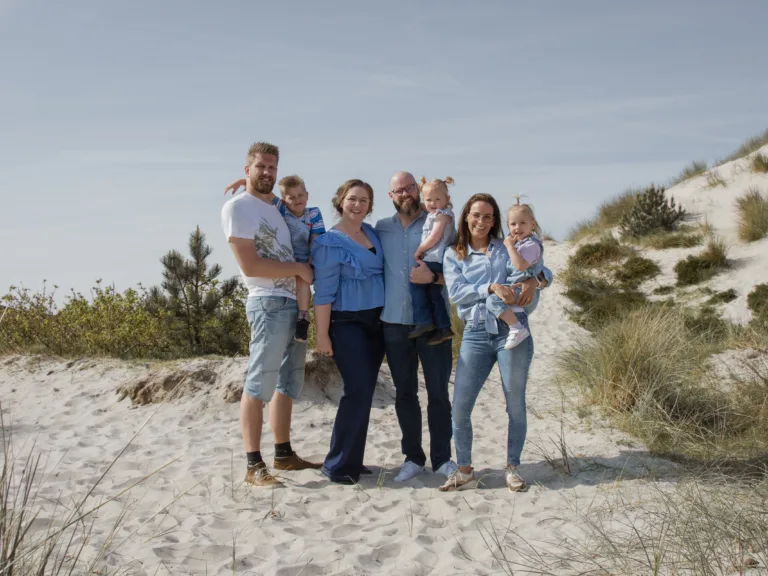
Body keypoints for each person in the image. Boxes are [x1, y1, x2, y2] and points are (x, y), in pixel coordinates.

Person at [220, 142, 322, 487]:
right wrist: (299, 269)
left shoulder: (275, 207)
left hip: (294, 303)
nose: (266, 172)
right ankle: (253, 465)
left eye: (272, 168)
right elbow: (249, 265)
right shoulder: (238, 207)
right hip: (268, 303)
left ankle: (283, 454)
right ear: (247, 168)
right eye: (260, 166)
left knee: (288, 383)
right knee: (259, 382)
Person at [440, 193, 552, 493]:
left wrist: (534, 281)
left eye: (488, 216)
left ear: (494, 221)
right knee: (460, 407)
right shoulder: (454, 253)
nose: (481, 221)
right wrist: (490, 287)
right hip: (476, 332)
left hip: (513, 332)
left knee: (515, 404)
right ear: (466, 217)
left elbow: (544, 271)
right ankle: (465, 471)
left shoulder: (508, 245)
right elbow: (457, 293)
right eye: (476, 215)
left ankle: (513, 468)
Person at [375, 171, 457, 482]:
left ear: (418, 190)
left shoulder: (440, 221)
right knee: (405, 394)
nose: (405, 193)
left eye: (410, 187)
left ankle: (442, 459)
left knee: (438, 394)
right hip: (394, 325)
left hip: (434, 324)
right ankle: (412, 458)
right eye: (399, 190)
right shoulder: (381, 228)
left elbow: (462, 269)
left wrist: (434, 277)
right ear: (391, 196)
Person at [311, 179, 386, 485]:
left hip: (377, 321)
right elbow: (323, 293)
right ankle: (338, 465)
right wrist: (322, 335)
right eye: (352, 198)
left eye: (364, 200)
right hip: (346, 321)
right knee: (356, 389)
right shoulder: (329, 242)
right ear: (340, 201)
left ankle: (352, 458)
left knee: (365, 390)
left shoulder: (373, 233)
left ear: (370, 206)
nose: (358, 205)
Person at [224, 175, 325, 343]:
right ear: (284, 200)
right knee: (296, 277)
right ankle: (300, 316)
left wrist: (311, 260)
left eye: (300, 195)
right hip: (287, 258)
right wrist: (245, 181)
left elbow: (317, 238)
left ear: (307, 195)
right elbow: (264, 191)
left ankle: (303, 316)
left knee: (303, 281)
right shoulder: (282, 209)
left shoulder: (313, 213)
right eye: (291, 197)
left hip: (306, 256)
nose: (297, 200)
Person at [486, 200, 545, 349]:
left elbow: (520, 266)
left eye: (522, 223)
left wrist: (509, 246)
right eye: (513, 224)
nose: (517, 228)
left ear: (532, 224)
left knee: (492, 300)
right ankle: (514, 323)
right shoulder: (519, 244)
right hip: (516, 289)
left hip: (524, 292)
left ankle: (517, 328)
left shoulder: (531, 245)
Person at [408, 176, 457, 345]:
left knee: (416, 284)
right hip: (440, 259)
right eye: (429, 200)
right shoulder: (436, 212)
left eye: (437, 199)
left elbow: (435, 236)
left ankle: (423, 320)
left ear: (447, 199)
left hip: (434, 258)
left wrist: (419, 250)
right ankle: (443, 328)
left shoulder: (442, 216)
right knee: (435, 294)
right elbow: (424, 206)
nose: (433, 203)